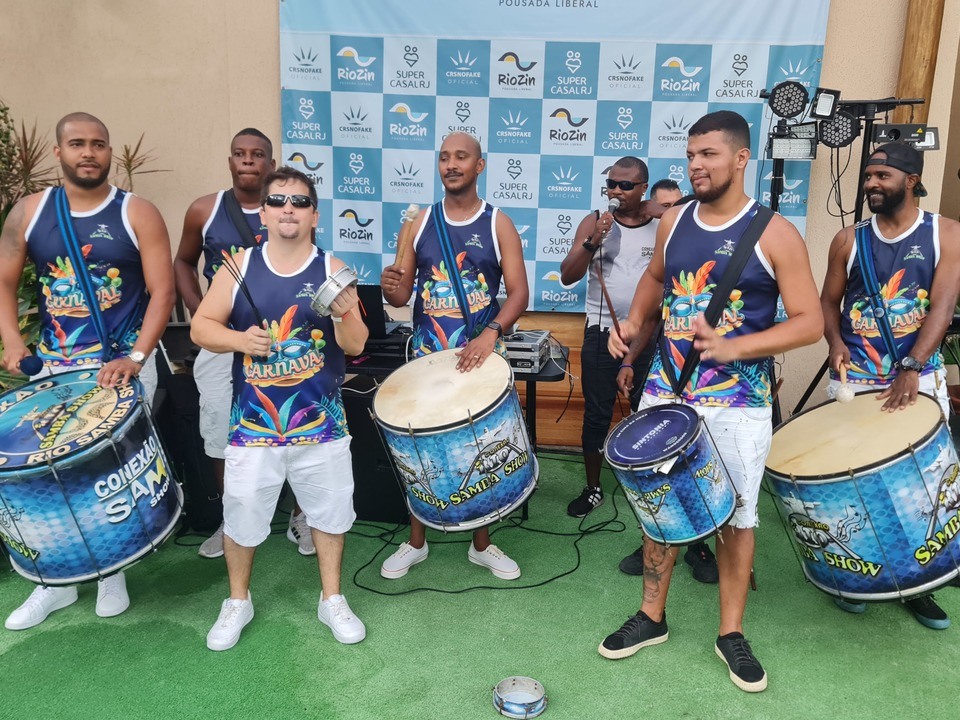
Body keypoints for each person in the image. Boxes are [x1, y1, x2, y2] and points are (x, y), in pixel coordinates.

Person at [605, 110, 823, 692]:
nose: (696, 165)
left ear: (741, 158)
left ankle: (731, 633)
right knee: (658, 506)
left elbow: (810, 322)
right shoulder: (674, 220)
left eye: (709, 154)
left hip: (738, 403)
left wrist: (737, 346)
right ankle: (651, 617)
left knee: (737, 516)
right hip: (667, 391)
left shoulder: (775, 232)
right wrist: (634, 322)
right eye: (691, 155)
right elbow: (656, 279)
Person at [0, 112, 176, 629]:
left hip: (119, 367)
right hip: (54, 370)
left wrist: (136, 358)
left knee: (104, 474)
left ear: (109, 152)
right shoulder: (29, 212)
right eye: (77, 143)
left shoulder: (136, 212)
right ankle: (52, 585)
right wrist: (13, 341)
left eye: (98, 144)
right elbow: (4, 282)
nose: (89, 153)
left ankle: (110, 573)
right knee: (51, 476)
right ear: (58, 152)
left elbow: (163, 292)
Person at [191, 166, 367, 650]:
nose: (288, 208)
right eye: (278, 200)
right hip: (254, 427)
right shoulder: (237, 266)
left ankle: (332, 598)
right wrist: (238, 340)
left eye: (299, 201)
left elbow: (355, 344)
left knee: (329, 517)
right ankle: (237, 601)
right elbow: (201, 327)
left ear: (314, 215)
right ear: (264, 213)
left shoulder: (332, 268)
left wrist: (344, 314)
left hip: (322, 423)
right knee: (242, 515)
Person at [820, 141, 960, 629]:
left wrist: (912, 367)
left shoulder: (946, 233)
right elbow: (828, 301)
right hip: (856, 379)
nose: (872, 185)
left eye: (882, 176)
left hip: (917, 378)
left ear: (912, 181)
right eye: (868, 177)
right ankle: (858, 577)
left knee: (919, 488)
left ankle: (920, 586)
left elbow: (942, 307)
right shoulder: (848, 239)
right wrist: (835, 342)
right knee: (854, 484)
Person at [378, 131, 529, 581]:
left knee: (476, 449)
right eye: (444, 157)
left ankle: (481, 544)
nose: (451, 164)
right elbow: (401, 295)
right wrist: (391, 286)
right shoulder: (419, 221)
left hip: (479, 357)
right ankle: (416, 542)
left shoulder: (498, 223)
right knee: (419, 449)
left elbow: (519, 293)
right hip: (427, 359)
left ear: (479, 165)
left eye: (461, 157)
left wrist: (491, 334)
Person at [175, 129, 313, 559]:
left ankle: (300, 516)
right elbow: (183, 261)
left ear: (271, 164)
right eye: (239, 154)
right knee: (220, 431)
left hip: (277, 346)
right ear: (230, 161)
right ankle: (230, 521)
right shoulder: (205, 209)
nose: (248, 161)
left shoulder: (289, 211)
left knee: (294, 427)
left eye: (257, 155)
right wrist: (200, 312)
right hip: (223, 343)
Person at [608, 180, 718, 584]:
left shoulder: (725, 254)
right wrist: (629, 359)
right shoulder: (669, 253)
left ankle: (700, 544)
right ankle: (652, 541)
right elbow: (652, 313)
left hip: (718, 385)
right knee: (656, 470)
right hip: (667, 376)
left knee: (701, 468)